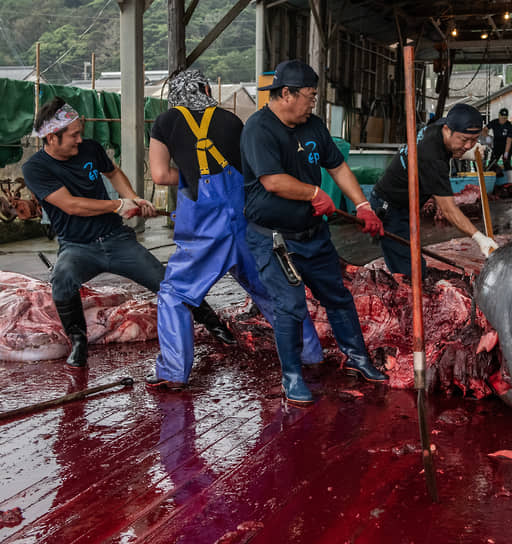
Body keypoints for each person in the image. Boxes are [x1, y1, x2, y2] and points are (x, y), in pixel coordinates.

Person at [22, 97, 232, 370]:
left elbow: (114, 172)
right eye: (73, 135)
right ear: (52, 137)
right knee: (61, 280)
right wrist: (119, 205)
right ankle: (77, 339)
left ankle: (213, 323)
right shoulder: (35, 168)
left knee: (165, 279)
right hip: (77, 246)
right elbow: (71, 206)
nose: (79, 140)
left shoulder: (90, 149)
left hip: (116, 239)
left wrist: (134, 198)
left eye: (80, 133)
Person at [146, 69, 323, 390]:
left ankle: (173, 373)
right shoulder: (232, 121)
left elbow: (159, 175)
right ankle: (310, 354)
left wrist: (189, 174)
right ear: (206, 88)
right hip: (246, 220)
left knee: (175, 295)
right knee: (272, 291)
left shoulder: (166, 121)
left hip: (204, 227)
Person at [241, 59, 387, 407]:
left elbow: (336, 166)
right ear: (287, 93)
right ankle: (292, 375)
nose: (313, 102)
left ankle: (358, 357)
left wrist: (362, 205)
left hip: (313, 233)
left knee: (337, 296)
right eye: (310, 95)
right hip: (274, 239)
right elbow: (272, 181)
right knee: (290, 307)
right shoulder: (258, 128)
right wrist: (312, 193)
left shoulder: (314, 125)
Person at [370, 103, 498, 278]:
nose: (469, 145)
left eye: (474, 140)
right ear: (447, 129)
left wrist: (462, 150)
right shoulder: (431, 157)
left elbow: (449, 148)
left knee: (414, 261)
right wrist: (479, 238)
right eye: (463, 140)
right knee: (410, 274)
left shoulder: (440, 127)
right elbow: (449, 210)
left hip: (408, 203)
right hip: (391, 208)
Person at [483, 107, 512, 182]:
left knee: (506, 162)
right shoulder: (494, 122)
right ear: (499, 116)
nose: (503, 119)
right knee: (492, 162)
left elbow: (509, 140)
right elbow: (484, 129)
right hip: (497, 145)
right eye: (502, 117)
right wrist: (487, 137)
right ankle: (490, 181)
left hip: (506, 145)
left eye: (505, 118)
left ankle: (511, 182)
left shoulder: (509, 125)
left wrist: (506, 152)